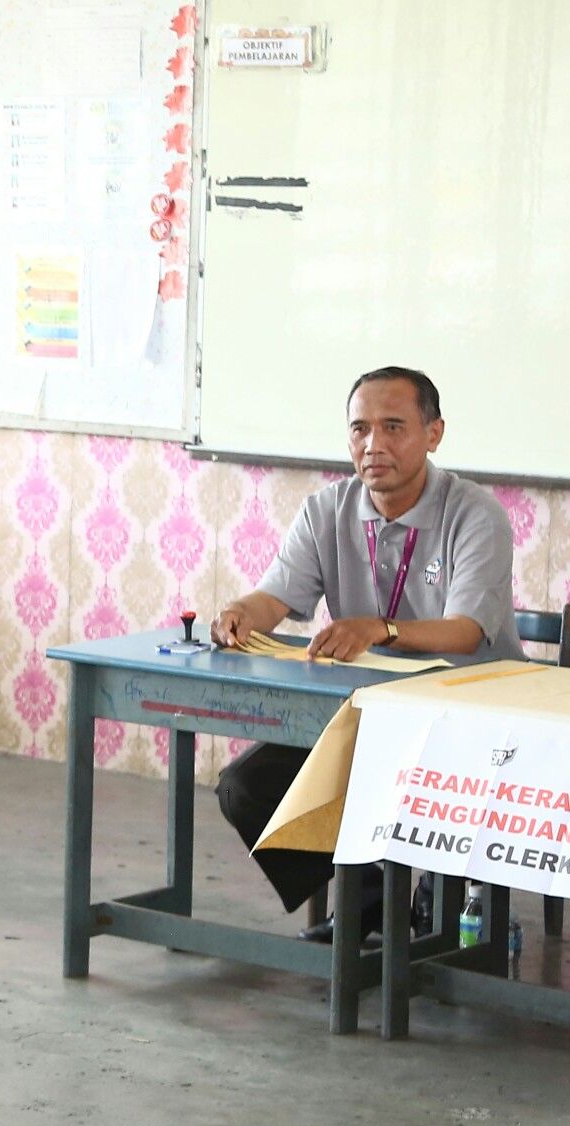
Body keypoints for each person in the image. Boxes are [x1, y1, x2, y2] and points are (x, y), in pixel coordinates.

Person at [211, 368, 521, 942]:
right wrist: (240, 613)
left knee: (409, 805)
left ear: (433, 434)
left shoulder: (475, 514)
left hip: (465, 724)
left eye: (393, 427)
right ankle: (371, 898)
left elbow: (466, 633)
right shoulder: (326, 510)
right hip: (363, 716)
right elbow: (273, 598)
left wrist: (380, 629)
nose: (373, 444)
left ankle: (422, 901)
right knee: (244, 788)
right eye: (360, 429)